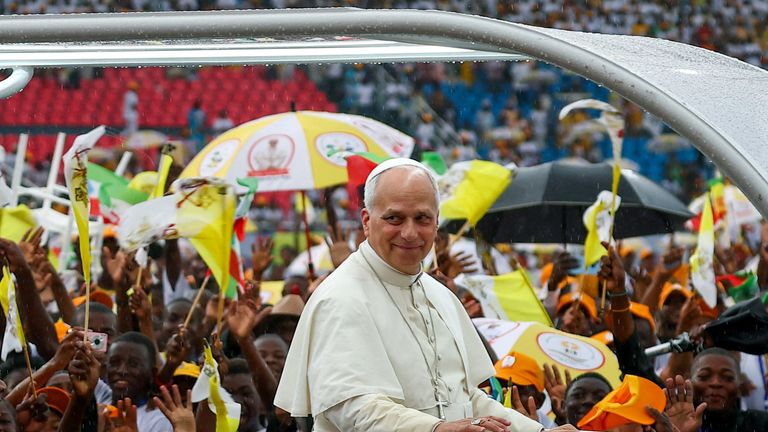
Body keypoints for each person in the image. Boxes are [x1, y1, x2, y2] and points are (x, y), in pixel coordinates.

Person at [275, 158, 577, 431]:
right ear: (367, 221)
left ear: (436, 223)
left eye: (422, 219)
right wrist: (437, 429)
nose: (409, 233)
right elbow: (354, 409)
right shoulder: (340, 298)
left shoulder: (441, 296)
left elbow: (466, 399)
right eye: (394, 218)